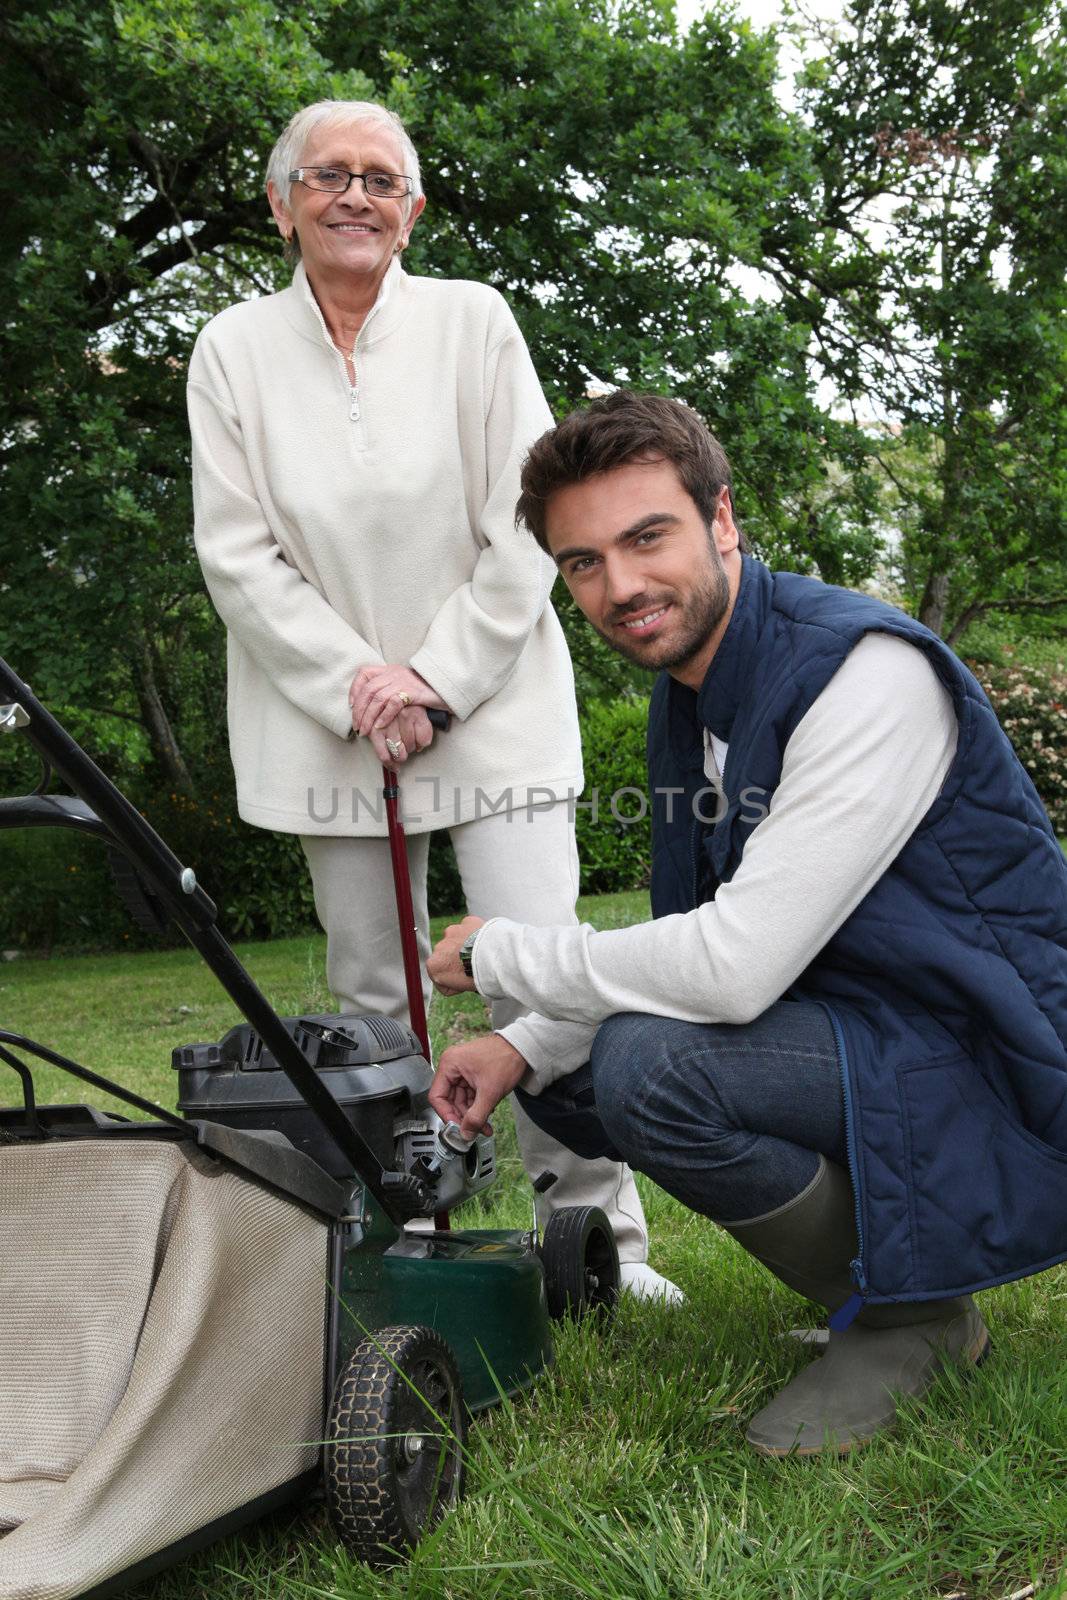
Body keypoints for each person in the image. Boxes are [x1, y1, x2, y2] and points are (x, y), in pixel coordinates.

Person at [426, 388, 1067, 1455]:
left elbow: (726, 971)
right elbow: (700, 940)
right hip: (871, 1026)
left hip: (1000, 1053)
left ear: (721, 521)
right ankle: (888, 1296)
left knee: (649, 1068)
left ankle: (912, 1316)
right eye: (582, 561)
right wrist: (521, 1045)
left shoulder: (864, 674)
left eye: (646, 537)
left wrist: (501, 954)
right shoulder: (696, 694)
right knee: (623, 1053)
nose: (620, 585)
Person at [186, 101, 679, 1302]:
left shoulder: (473, 322)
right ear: (280, 202)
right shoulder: (231, 349)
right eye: (327, 176)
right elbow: (237, 552)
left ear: (413, 208)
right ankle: (411, 1226)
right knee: (369, 989)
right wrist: (359, 683)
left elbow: (530, 520)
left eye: (381, 178)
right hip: (325, 719)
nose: (354, 196)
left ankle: (596, 1241)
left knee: (540, 974)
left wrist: (436, 677)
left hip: (492, 697)